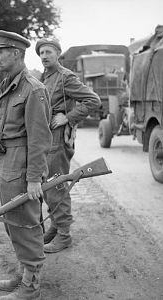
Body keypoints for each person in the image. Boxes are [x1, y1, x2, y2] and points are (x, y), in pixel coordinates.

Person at [0, 30, 52, 300]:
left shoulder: (33, 89)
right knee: (12, 223)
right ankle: (22, 270)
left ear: (16, 53)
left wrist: (35, 179)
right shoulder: (9, 84)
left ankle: (31, 286)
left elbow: (39, 139)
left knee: (26, 225)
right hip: (8, 162)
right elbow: (6, 130)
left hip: (24, 167)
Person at [35, 38, 101, 253]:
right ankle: (55, 226)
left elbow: (93, 100)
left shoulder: (66, 77)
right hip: (46, 139)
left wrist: (69, 117)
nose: (44, 56)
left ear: (58, 53)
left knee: (56, 186)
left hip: (58, 140)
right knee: (48, 187)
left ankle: (64, 236)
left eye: (48, 52)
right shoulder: (45, 77)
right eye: (41, 53)